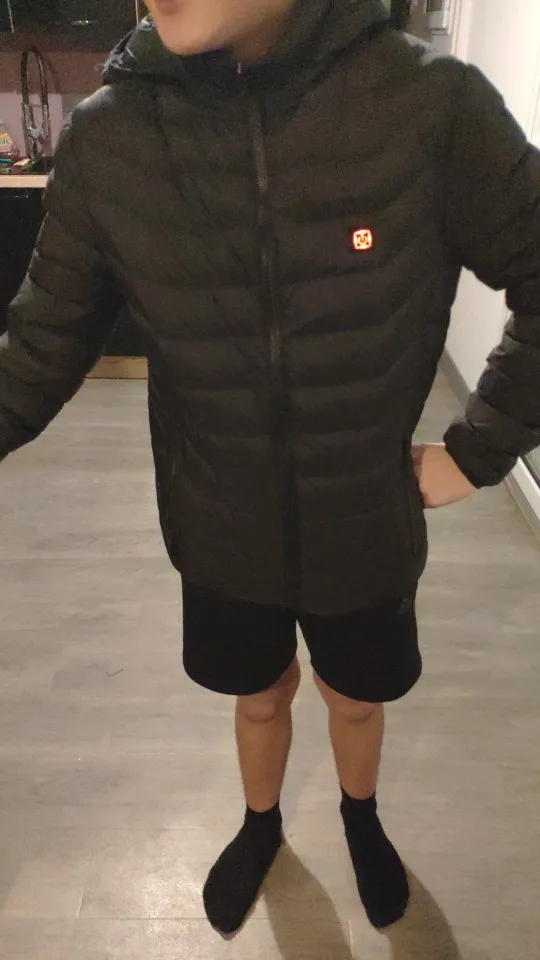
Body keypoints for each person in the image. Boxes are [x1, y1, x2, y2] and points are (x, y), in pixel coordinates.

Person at [1, 0, 540, 937]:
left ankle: (361, 818)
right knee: (257, 695)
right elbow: (38, 350)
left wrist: (478, 451)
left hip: (364, 524)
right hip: (218, 526)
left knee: (356, 700)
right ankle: (261, 825)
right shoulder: (111, 139)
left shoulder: (430, 107)